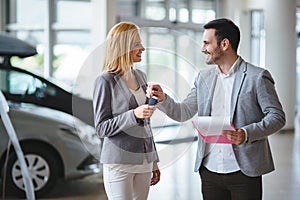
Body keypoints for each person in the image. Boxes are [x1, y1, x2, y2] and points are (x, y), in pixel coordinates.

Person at [148, 18, 285, 200]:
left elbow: (277, 116)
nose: (203, 48)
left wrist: (246, 133)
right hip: (209, 171)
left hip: (244, 172)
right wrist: (163, 99)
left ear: (224, 44)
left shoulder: (257, 77)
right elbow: (184, 112)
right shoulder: (203, 78)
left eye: (206, 43)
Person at [93, 21, 160, 200]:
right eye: (137, 44)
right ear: (123, 47)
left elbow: (146, 123)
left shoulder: (141, 76)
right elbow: (101, 128)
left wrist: (153, 161)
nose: (143, 48)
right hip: (119, 163)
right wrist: (133, 115)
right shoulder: (105, 81)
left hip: (144, 161)